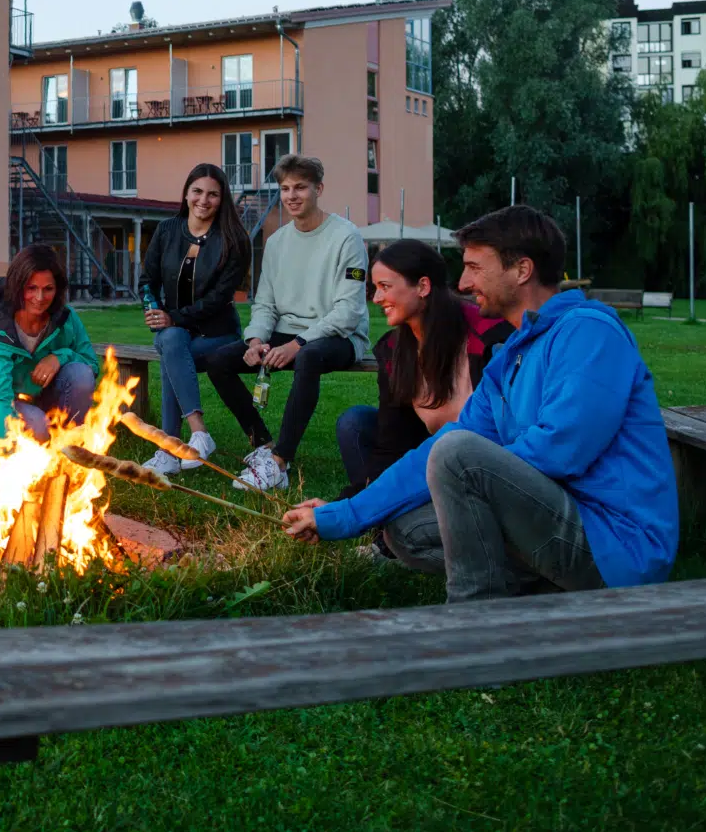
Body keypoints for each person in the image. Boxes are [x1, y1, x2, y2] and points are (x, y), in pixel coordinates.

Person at [280, 205, 679, 602]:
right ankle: (539, 591)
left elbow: (560, 452)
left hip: (615, 546)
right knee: (403, 530)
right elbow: (437, 451)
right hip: (553, 522)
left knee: (458, 452)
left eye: (475, 267)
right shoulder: (508, 359)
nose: (464, 282)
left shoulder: (589, 332)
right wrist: (345, 514)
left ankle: (474, 614)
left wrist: (477, 469)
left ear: (521, 270)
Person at [222, 154, 371, 492]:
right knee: (219, 360)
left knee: (308, 357)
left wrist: (296, 344)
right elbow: (265, 303)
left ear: (319, 189)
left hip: (340, 335)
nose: (291, 195)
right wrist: (256, 339)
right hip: (289, 331)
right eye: (285, 188)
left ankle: (279, 463)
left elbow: (347, 312)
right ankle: (263, 446)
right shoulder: (276, 242)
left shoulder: (346, 237)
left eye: (300, 187)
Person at [335, 238, 510, 516]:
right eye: (375, 288)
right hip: (425, 455)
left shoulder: (491, 336)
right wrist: (357, 503)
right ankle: (384, 522)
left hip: (488, 465)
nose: (376, 299)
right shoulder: (393, 350)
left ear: (423, 287)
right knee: (354, 423)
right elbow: (392, 442)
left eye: (385, 287)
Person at [136, 163, 267, 473]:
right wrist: (153, 309)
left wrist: (173, 317)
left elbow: (218, 299)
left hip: (216, 334)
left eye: (213, 194)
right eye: (197, 191)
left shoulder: (233, 240)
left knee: (171, 350)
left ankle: (171, 448)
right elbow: (146, 280)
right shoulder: (168, 230)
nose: (203, 200)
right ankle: (195, 435)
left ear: (222, 200)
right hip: (176, 332)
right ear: (186, 193)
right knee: (171, 342)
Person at [0, 244, 99, 443]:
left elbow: (91, 364)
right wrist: (14, 449)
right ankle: (42, 445)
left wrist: (60, 357)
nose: (39, 298)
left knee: (80, 375)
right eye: (31, 288)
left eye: (48, 289)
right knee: (36, 428)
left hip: (35, 399)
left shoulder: (66, 319)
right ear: (18, 286)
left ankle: (68, 450)